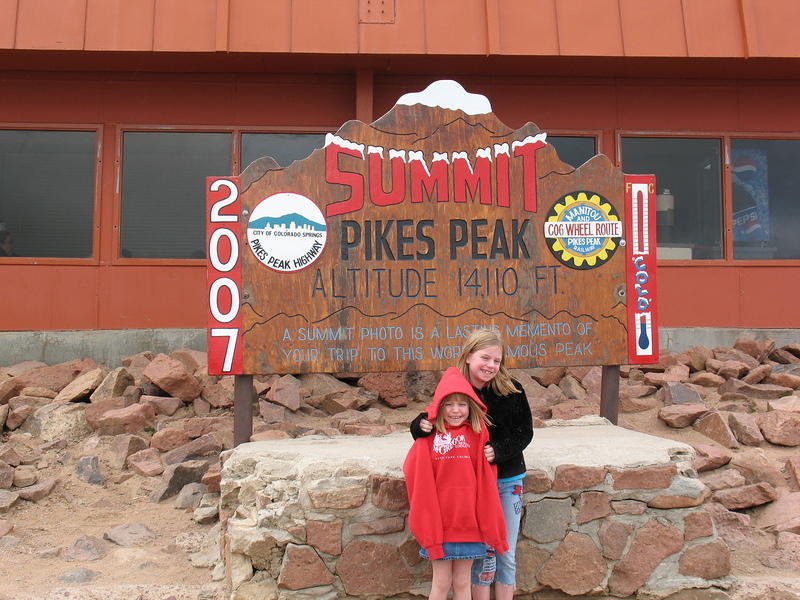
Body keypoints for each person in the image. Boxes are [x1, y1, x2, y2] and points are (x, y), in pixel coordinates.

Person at [410, 328, 533, 600]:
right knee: (481, 558)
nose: (490, 366)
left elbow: (525, 432)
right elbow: (429, 419)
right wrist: (418, 426)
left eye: (496, 361)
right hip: (472, 486)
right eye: (484, 358)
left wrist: (498, 451)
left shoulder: (511, 390)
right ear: (468, 357)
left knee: (505, 552)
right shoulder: (458, 391)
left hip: (505, 479)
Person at [403, 367, 509, 600]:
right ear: (438, 406)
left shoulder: (478, 435)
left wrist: (487, 521)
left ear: (471, 406)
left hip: (469, 524)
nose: (455, 410)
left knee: (462, 584)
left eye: (462, 404)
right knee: (441, 584)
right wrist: (427, 522)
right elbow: (416, 478)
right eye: (448, 404)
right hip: (440, 525)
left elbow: (486, 482)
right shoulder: (427, 438)